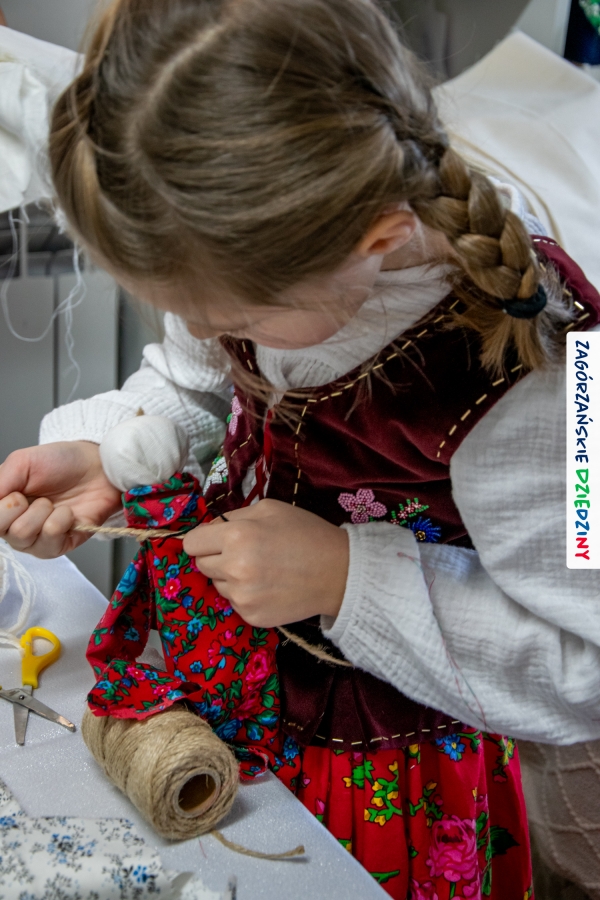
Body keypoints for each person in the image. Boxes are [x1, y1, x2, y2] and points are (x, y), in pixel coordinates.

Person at [1, 0, 599, 896]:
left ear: (377, 240)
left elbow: (586, 664)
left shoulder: (562, 387)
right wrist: (114, 450)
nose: (208, 333)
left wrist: (347, 579)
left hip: (400, 764)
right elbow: (202, 379)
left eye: (231, 316)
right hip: (258, 701)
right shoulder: (276, 264)